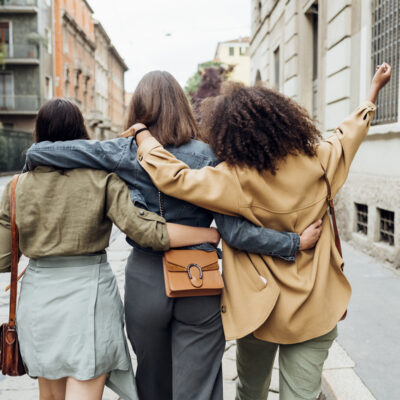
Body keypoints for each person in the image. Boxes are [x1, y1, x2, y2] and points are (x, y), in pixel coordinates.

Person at [23, 71, 322, 400]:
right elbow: (236, 234)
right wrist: (294, 243)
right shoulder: (210, 157)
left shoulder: (123, 151)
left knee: (151, 380)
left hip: (145, 278)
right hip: (199, 277)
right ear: (182, 106)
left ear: (137, 110)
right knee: (200, 384)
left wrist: (33, 156)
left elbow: (51, 152)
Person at [120, 64, 391, 399]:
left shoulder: (233, 178)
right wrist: (372, 93)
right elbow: (349, 134)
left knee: (250, 391)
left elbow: (176, 178)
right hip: (315, 307)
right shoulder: (320, 161)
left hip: (259, 309)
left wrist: (145, 138)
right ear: (287, 121)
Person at [0, 98, 225, 400]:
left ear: (39, 133)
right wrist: (208, 234)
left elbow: (3, 260)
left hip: (39, 300)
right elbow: (146, 231)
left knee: (49, 396)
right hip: (88, 299)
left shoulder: (16, 187)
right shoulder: (103, 180)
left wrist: (41, 249)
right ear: (81, 133)